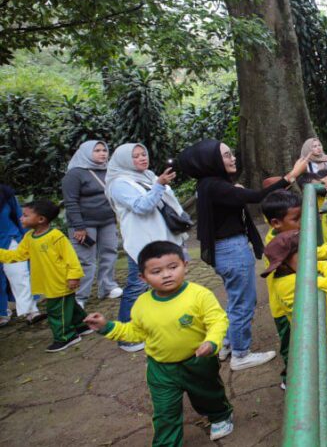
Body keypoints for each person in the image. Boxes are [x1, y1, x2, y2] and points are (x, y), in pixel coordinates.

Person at [177, 139, 309, 371]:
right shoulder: (216, 187)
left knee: (237, 299)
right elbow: (258, 197)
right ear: (212, 161)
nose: (233, 158)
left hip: (226, 249)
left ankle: (227, 343)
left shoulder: (209, 184)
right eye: (227, 155)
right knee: (243, 303)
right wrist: (291, 176)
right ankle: (241, 354)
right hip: (232, 250)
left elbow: (240, 197)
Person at [84, 240, 234, 444]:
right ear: (142, 277)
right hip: (161, 369)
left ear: (185, 266)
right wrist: (107, 327)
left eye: (173, 267)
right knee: (165, 413)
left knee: (208, 395)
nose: (166, 274)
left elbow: (217, 320)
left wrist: (212, 342)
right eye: (156, 271)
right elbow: (135, 332)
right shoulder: (142, 304)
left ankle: (220, 416)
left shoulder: (199, 294)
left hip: (198, 361)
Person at [264, 230, 327, 438]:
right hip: (319, 337)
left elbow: (323, 268)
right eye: (303, 255)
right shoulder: (291, 282)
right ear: (286, 262)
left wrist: (325, 271)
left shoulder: (298, 272)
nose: (310, 258)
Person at [106, 143, 188, 353]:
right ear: (124, 160)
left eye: (144, 154)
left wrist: (159, 184)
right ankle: (126, 337)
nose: (142, 158)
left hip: (162, 238)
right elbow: (142, 207)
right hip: (141, 243)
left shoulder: (147, 175)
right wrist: (159, 185)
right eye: (135, 156)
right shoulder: (119, 184)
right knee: (136, 287)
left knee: (169, 283)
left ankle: (169, 326)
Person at [260, 190, 327, 389]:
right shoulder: (279, 243)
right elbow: (305, 253)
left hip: (295, 298)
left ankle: (322, 378)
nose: (303, 223)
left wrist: (321, 191)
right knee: (292, 345)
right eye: (297, 219)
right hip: (285, 307)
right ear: (276, 223)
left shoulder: (288, 234)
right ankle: (293, 382)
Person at [0, 200, 87, 352]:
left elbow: (71, 258)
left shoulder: (56, 236)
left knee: (56, 310)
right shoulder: (29, 237)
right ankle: (82, 326)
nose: (21, 218)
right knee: (68, 305)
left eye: (25, 215)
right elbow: (18, 255)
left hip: (60, 281)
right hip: (48, 281)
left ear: (41, 219)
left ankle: (66, 336)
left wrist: (73, 275)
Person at [61, 140, 121, 306]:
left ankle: (107, 286)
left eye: (104, 150)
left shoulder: (108, 170)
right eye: (97, 151)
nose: (102, 153)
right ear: (86, 152)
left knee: (110, 252)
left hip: (107, 221)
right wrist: (78, 227)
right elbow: (70, 202)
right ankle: (80, 296)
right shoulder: (75, 174)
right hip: (84, 224)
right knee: (85, 260)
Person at [0, 184, 40, 325]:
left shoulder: (5, 193)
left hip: (10, 240)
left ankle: (31, 310)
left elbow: (20, 217)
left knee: (20, 276)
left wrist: (28, 240)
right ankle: (2, 313)